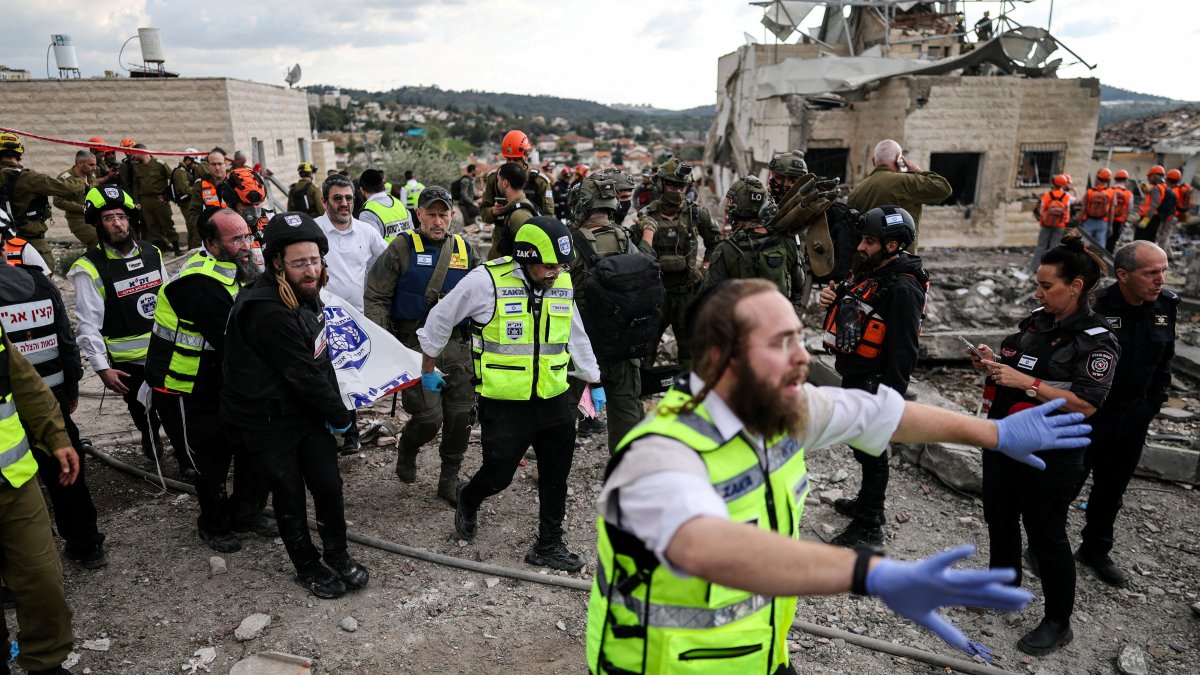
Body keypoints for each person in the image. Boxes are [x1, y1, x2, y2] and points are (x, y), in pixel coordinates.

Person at [586, 278, 1093, 674]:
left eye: (800, 339)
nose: (803, 357)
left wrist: (995, 434)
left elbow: (882, 415)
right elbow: (703, 546)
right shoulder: (659, 454)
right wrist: (871, 574)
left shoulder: (779, 412)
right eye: (782, 342)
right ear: (721, 358)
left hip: (756, 656)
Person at [419, 217, 602, 571]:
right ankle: (469, 499)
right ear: (526, 257)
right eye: (549, 265)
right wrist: (428, 369)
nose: (556, 272)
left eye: (561, 265)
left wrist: (594, 380)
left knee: (555, 474)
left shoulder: (561, 281)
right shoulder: (486, 281)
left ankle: (548, 544)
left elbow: (574, 334)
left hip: (553, 397)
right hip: (504, 404)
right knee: (499, 475)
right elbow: (439, 319)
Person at [970, 230, 1118, 655]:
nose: (1038, 292)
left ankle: (1058, 622)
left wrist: (1027, 383)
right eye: (1038, 284)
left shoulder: (1096, 339)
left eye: (1046, 286)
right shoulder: (1037, 320)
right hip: (1004, 438)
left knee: (1046, 534)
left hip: (1050, 452)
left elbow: (1086, 404)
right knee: (999, 516)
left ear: (1076, 286)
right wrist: (993, 364)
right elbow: (1019, 366)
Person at [221, 212, 368, 599]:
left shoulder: (306, 294)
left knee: (328, 485)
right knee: (289, 494)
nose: (310, 269)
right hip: (267, 419)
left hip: (302, 410)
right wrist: (340, 417)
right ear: (277, 264)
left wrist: (342, 415)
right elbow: (302, 373)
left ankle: (337, 553)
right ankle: (307, 565)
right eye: (299, 262)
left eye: (315, 260)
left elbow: (321, 361)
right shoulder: (267, 309)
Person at [144, 207, 272, 553]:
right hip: (185, 388)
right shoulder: (198, 283)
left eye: (248, 235)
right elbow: (235, 340)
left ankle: (245, 512)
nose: (247, 244)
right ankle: (213, 525)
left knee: (251, 448)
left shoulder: (240, 267)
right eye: (237, 239)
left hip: (223, 381)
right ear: (211, 244)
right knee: (211, 459)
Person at [818, 206, 927, 547]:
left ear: (893, 245)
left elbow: (905, 348)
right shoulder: (874, 272)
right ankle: (866, 504)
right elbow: (856, 308)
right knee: (862, 449)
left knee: (873, 451)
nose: (861, 247)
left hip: (875, 381)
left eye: (868, 241)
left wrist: (890, 396)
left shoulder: (903, 287)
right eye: (862, 239)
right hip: (857, 375)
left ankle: (870, 525)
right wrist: (832, 299)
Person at [364, 187, 479, 503]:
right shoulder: (401, 248)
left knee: (459, 418)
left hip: (457, 348)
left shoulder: (466, 250)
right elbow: (375, 296)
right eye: (431, 213)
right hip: (414, 348)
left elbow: (483, 297)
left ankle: (449, 479)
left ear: (452, 215)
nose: (438, 220)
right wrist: (385, 343)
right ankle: (410, 445)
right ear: (419, 214)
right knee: (430, 418)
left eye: (444, 214)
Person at [1070, 241, 1174, 588]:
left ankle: (1095, 550)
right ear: (1123, 275)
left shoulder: (1165, 306)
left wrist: (1152, 405)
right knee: (1066, 483)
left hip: (1133, 418)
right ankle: (1043, 548)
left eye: (1163, 270)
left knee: (1112, 489)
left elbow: (1164, 362)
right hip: (1089, 416)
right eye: (1151, 272)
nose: (1160, 279)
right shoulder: (1094, 307)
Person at [68, 186, 188, 472]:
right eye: (109, 218)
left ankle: (187, 461)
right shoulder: (89, 268)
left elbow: (169, 299)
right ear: (98, 223)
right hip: (127, 363)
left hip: (164, 353)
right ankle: (148, 434)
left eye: (121, 216)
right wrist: (101, 368)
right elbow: (87, 325)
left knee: (175, 411)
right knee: (142, 411)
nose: (118, 223)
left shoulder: (152, 252)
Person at [0, 259, 105, 569]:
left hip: (8, 410)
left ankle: (14, 572)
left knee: (13, 488)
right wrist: (71, 385)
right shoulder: (40, 283)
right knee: (67, 474)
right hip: (53, 400)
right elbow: (65, 339)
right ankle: (86, 545)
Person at [0, 311, 81, 675]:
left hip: (14, 483)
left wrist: (56, 435)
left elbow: (24, 381)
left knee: (42, 578)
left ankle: (46, 663)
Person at [566, 175, 656, 451]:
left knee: (564, 415)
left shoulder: (569, 243)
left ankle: (556, 478)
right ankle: (627, 478)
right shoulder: (627, 240)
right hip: (622, 343)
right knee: (627, 411)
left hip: (581, 345)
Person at [630, 157, 720, 369]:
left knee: (690, 350)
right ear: (660, 185)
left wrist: (704, 268)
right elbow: (632, 252)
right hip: (655, 295)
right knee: (645, 348)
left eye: (680, 186)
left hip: (687, 293)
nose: (676, 190)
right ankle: (643, 394)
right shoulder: (646, 217)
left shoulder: (696, 213)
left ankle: (689, 394)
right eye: (671, 184)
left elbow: (716, 242)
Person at [702, 176, 806, 315]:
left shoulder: (726, 249)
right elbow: (799, 284)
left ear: (737, 207)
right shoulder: (787, 240)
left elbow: (708, 299)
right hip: (778, 320)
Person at [0, 132, 87, 272]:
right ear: (19, 155)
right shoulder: (29, 178)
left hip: (3, 243)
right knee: (43, 282)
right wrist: (80, 180)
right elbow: (67, 189)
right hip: (31, 241)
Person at [847, 140, 951, 253]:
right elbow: (943, 188)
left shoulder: (856, 191)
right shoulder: (906, 182)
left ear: (873, 160)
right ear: (899, 160)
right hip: (899, 262)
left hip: (866, 264)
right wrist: (917, 171)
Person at [479, 130, 555, 228]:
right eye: (508, 159)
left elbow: (548, 217)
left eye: (516, 159)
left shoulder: (539, 182)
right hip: (501, 239)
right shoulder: (494, 178)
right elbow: (484, 214)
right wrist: (492, 211)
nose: (511, 163)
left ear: (526, 156)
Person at [130, 144, 181, 255]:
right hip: (145, 200)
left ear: (141, 151)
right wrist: (137, 201)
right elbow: (136, 185)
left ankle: (177, 248)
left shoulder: (159, 164)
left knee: (167, 224)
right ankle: (158, 251)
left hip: (159, 199)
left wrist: (168, 195)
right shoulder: (136, 167)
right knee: (152, 227)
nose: (133, 155)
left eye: (134, 152)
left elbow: (173, 178)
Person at [488, 162, 541, 260]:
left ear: (505, 183)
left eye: (498, 180)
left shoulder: (519, 215)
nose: (497, 183)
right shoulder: (516, 207)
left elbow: (529, 254)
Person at [54, 149, 99, 248]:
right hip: (78, 220)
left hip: (95, 216)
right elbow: (58, 201)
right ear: (80, 163)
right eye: (91, 165)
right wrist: (82, 208)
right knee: (96, 241)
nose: (95, 168)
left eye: (95, 164)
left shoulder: (91, 176)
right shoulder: (65, 178)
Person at [1031, 173, 1075, 273]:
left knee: (1041, 246)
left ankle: (1036, 268)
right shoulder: (1066, 196)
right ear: (1064, 184)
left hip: (1046, 224)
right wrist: (1063, 222)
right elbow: (1067, 212)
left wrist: (1045, 219)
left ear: (1053, 183)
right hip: (1059, 225)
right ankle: (1050, 271)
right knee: (1054, 248)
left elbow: (1042, 210)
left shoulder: (1047, 195)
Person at [358, 168, 413, 243]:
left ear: (362, 190)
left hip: (387, 254)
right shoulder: (399, 203)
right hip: (409, 253)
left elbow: (373, 245)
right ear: (383, 185)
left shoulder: (367, 212)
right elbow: (413, 233)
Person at [170, 149, 203, 249]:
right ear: (188, 160)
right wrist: (200, 189)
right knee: (192, 227)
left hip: (190, 202)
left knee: (193, 226)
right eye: (195, 163)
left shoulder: (187, 171)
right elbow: (184, 189)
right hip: (186, 203)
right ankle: (192, 250)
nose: (196, 166)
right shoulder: (180, 172)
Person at [188, 151, 229, 231]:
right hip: (211, 231)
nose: (217, 168)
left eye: (220, 164)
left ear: (225, 164)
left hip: (234, 229)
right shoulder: (200, 184)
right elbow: (194, 212)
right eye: (213, 164)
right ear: (208, 166)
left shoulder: (234, 181)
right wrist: (204, 228)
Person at [1135, 165, 1175, 244]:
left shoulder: (1156, 188)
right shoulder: (1164, 187)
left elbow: (1154, 205)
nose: (1148, 178)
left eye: (1149, 176)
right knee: (1149, 242)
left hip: (1150, 218)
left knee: (1139, 242)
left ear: (1155, 176)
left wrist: (1146, 220)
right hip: (1155, 218)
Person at [1080, 168, 1114, 249]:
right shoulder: (1111, 192)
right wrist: (1110, 226)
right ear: (1108, 180)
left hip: (1088, 221)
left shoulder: (1090, 191)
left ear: (1097, 178)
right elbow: (1111, 211)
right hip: (1103, 223)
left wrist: (1080, 221)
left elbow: (1083, 209)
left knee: (1084, 245)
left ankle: (1083, 261)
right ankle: (1097, 261)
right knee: (1100, 247)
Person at [1162, 168, 1191, 249]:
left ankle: (1162, 255)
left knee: (1163, 236)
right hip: (1176, 216)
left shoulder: (1172, 191)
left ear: (1168, 179)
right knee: (1166, 234)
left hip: (1171, 216)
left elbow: (1169, 206)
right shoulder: (1179, 189)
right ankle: (1169, 255)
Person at [1107, 169, 1135, 253]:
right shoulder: (1129, 194)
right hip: (1119, 221)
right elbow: (1130, 208)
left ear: (1115, 180)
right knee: (1113, 240)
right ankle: (1107, 257)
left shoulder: (1109, 190)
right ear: (1125, 181)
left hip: (1107, 219)